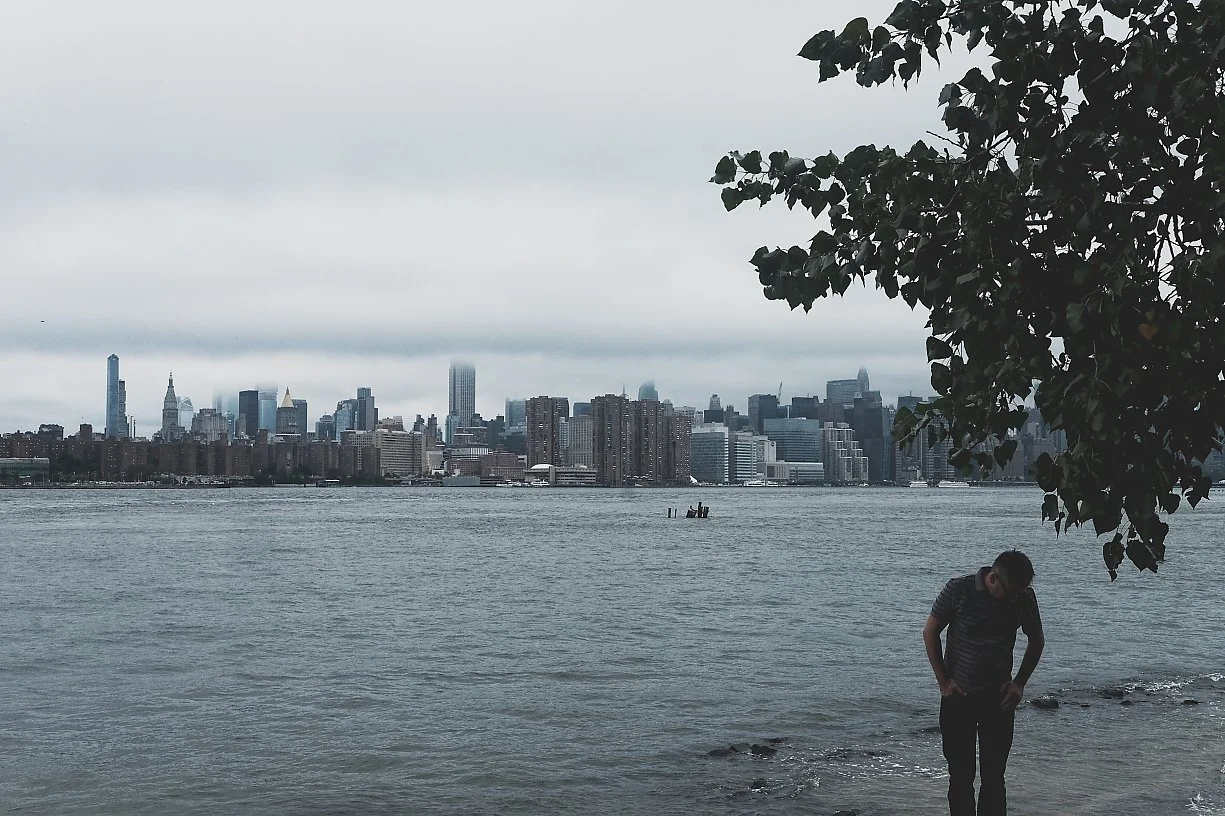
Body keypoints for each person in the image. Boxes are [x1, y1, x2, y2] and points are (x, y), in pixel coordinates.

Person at [923, 550, 1044, 816]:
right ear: (993, 579)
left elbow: (1036, 641)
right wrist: (943, 681)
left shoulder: (1023, 597)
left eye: (1021, 591)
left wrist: (1019, 683)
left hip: (999, 699)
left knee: (994, 778)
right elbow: (930, 631)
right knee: (960, 778)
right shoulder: (959, 590)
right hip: (958, 699)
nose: (1015, 597)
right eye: (1011, 592)